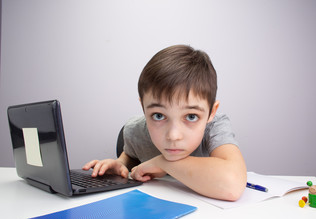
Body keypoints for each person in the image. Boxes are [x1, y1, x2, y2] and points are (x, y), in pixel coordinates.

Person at [82, 45, 247, 201]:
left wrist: (162, 163)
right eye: (158, 116)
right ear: (143, 108)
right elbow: (131, 154)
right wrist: (120, 163)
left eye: (191, 117)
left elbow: (232, 185)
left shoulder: (214, 127)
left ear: (212, 112)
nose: (173, 135)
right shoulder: (134, 130)